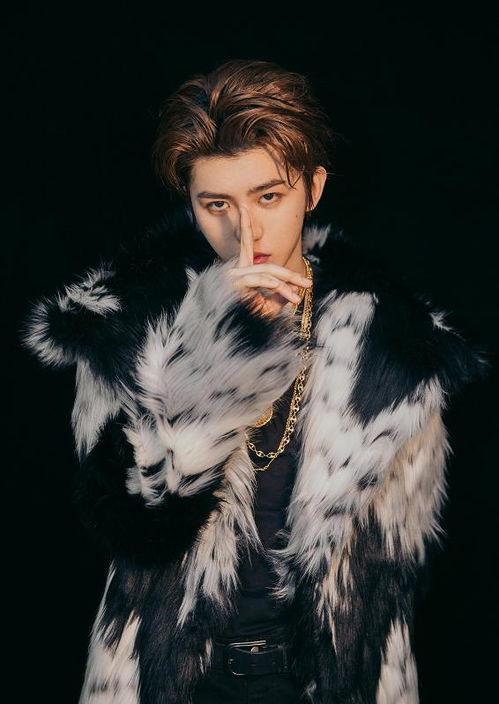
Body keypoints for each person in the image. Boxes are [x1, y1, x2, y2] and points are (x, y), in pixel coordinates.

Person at [19, 58, 489, 704]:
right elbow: (133, 528)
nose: (247, 231)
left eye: (269, 197)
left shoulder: (395, 349)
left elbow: (395, 568)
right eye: (216, 204)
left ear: (313, 188)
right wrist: (217, 348)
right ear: (192, 204)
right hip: (169, 680)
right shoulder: (126, 323)